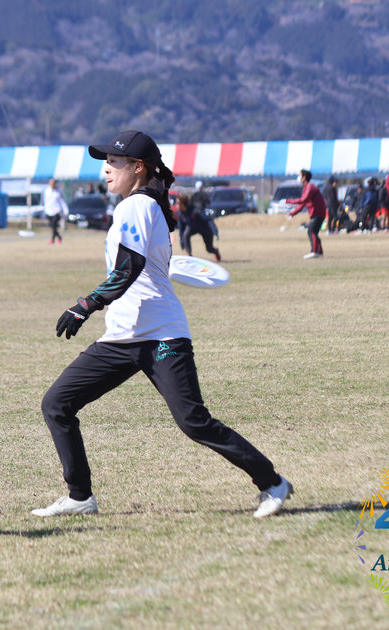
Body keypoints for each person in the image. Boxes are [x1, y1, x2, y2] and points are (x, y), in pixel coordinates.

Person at [33, 129, 292, 520]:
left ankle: (273, 483)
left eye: (113, 162)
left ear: (138, 167)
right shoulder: (144, 205)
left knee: (193, 422)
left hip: (161, 335)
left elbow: (129, 269)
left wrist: (85, 305)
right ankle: (80, 496)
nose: (106, 169)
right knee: (57, 404)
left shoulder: (136, 206)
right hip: (123, 336)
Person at [286, 169, 327, 259]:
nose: (299, 177)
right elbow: (303, 204)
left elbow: (303, 200)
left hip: (318, 213)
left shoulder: (310, 187)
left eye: (300, 175)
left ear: (304, 177)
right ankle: (320, 252)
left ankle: (314, 252)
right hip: (316, 213)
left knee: (311, 231)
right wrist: (292, 213)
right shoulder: (306, 188)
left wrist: (288, 201)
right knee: (313, 232)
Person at [182, 195, 221, 261]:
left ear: (184, 204)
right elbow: (181, 229)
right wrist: (182, 241)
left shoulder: (196, 210)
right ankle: (189, 255)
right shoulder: (182, 213)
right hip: (193, 228)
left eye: (178, 204)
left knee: (209, 249)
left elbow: (208, 220)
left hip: (204, 229)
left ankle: (215, 251)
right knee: (186, 234)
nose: (177, 206)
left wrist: (214, 230)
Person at [43, 178, 68, 244]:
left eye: (53, 183)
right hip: (48, 211)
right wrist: (44, 209)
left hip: (57, 211)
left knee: (54, 225)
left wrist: (66, 210)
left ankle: (52, 240)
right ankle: (59, 237)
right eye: (51, 183)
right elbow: (45, 201)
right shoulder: (47, 191)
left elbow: (62, 201)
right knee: (52, 226)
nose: (52, 184)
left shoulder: (58, 192)